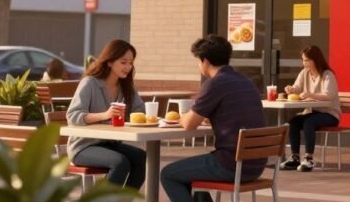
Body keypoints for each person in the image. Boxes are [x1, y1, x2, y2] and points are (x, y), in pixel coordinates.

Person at [160, 35, 266, 202]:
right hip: (257, 164)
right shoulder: (246, 80)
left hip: (231, 164)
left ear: (205, 61)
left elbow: (188, 125)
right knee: (191, 175)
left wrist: (182, 117)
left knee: (168, 174)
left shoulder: (215, 83)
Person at [66, 39, 146, 189]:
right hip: (83, 147)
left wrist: (135, 117)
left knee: (140, 156)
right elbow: (72, 115)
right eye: (123, 62)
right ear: (109, 62)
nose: (128, 67)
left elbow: (139, 110)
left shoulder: (126, 86)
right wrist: (105, 115)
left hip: (109, 144)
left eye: (130, 63)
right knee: (120, 162)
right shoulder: (90, 83)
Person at [280, 45, 341, 172]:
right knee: (293, 122)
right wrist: (291, 89)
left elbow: (329, 95)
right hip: (312, 112)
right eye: (303, 60)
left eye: (307, 60)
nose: (304, 63)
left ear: (315, 60)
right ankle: (295, 157)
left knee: (309, 122)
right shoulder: (304, 73)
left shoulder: (327, 75)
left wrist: (310, 95)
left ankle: (309, 158)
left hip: (329, 114)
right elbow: (297, 87)